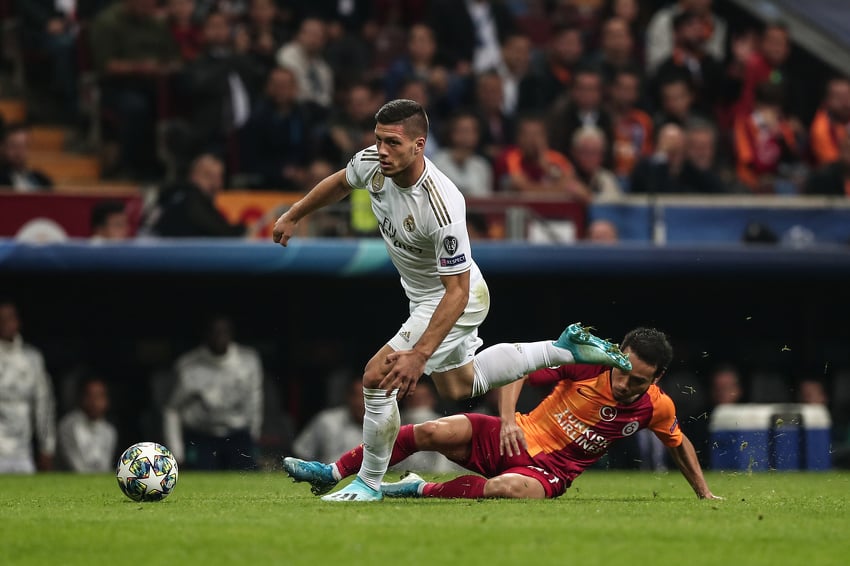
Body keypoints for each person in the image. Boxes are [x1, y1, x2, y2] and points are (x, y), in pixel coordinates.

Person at [272, 98, 632, 502]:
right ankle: (562, 349)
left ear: (419, 144)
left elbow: (457, 292)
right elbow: (341, 181)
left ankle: (368, 484)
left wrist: (420, 354)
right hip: (427, 296)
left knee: (376, 378)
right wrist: (294, 213)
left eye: (392, 143)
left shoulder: (443, 206)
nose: (382, 151)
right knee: (461, 385)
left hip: (453, 296)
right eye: (378, 141)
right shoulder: (373, 161)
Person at [283, 327, 719, 501]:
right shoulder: (591, 364)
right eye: (624, 371)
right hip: (514, 434)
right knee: (431, 430)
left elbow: (679, 446)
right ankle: (333, 470)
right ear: (619, 357)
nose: (625, 384)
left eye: (638, 380)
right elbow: (520, 368)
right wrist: (509, 418)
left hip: (549, 472)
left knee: (506, 489)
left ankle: (416, 490)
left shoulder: (656, 406)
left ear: (657, 377)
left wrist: (703, 493)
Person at [163, 315, 263, 470]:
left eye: (224, 332)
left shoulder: (248, 361)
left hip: (238, 435)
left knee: (249, 478)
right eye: (214, 332)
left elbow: (255, 400)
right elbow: (171, 409)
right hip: (201, 437)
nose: (219, 337)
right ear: (206, 335)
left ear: (231, 334)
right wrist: (176, 453)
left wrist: (253, 436)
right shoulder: (187, 365)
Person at [0, 300, 56, 474]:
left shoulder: (32, 359)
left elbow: (44, 404)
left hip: (23, 453)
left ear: (17, 321)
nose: (5, 323)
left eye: (9, 318)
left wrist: (47, 446)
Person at [291, 377, 366, 465]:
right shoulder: (326, 421)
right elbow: (301, 454)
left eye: (366, 397)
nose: (360, 402)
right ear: (348, 397)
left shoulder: (382, 428)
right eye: (356, 396)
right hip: (325, 476)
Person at [56, 377, 118, 472]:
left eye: (99, 396)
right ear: (81, 398)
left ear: (106, 401)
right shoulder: (68, 425)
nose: (94, 402)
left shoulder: (109, 431)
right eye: (90, 396)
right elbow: (75, 466)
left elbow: (106, 466)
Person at [0, 124, 54, 191]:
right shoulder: (1, 179)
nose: (19, 152)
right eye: (14, 146)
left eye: (24, 146)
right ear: (3, 147)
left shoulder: (42, 180)